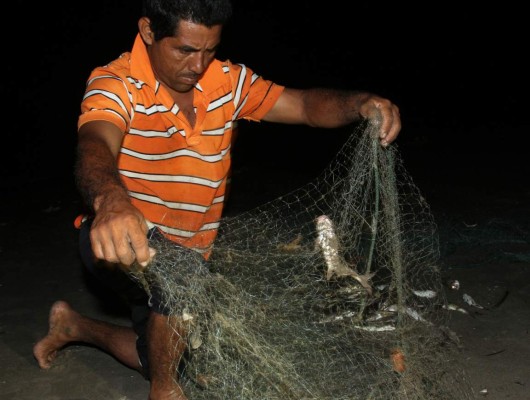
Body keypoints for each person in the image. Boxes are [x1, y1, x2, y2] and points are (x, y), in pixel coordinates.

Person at [33, 0, 401, 399]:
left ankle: (75, 327)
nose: (197, 65)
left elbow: (304, 105)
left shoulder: (227, 81)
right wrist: (110, 201)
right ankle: (165, 392)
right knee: (181, 299)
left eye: (209, 50)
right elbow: (95, 141)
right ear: (148, 31)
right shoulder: (116, 82)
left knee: (163, 354)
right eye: (185, 50)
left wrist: (359, 103)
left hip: (188, 254)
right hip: (117, 238)